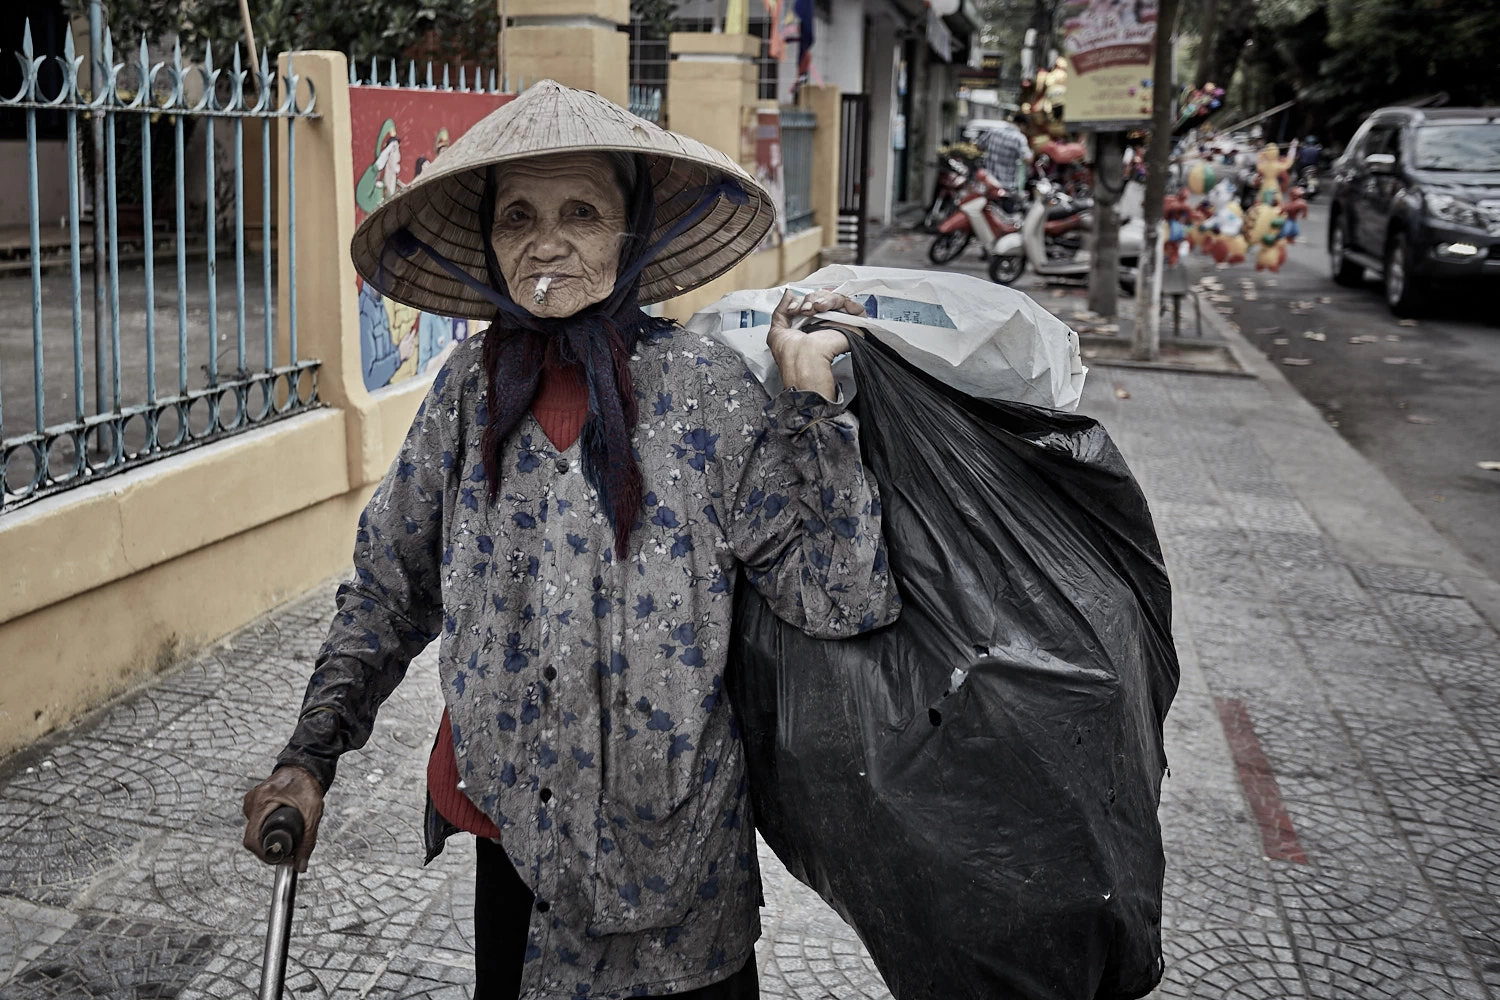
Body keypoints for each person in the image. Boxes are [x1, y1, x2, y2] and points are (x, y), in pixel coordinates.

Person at [240, 80, 900, 999]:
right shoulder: (466, 397)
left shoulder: (706, 393)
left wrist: (810, 410)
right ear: (488, 241)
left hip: (679, 869)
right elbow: (388, 591)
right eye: (517, 216)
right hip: (514, 845)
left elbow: (837, 593)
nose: (545, 242)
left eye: (581, 211)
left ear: (631, 234)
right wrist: (309, 756)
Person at [972, 112, 1032, 195]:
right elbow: (1027, 159)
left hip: (986, 182)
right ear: (1022, 125)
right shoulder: (1019, 138)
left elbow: (979, 146)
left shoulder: (993, 131)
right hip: (1005, 186)